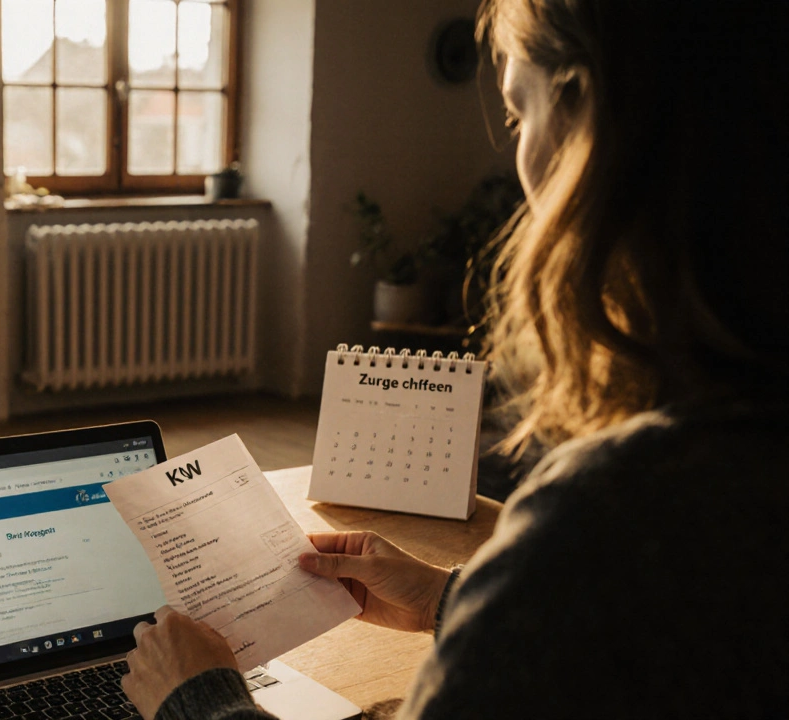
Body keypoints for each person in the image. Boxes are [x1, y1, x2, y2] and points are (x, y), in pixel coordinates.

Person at [121, 1, 789, 718]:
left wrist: (200, 699)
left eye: (516, 114)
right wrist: (453, 599)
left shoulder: (607, 517)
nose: (519, 158)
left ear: (587, 127)